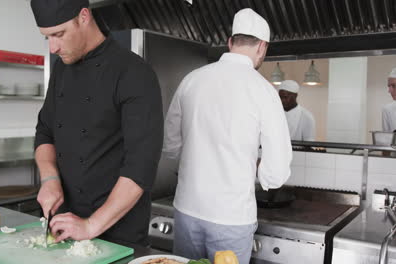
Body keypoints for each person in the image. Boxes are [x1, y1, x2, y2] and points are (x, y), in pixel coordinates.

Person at [163, 8, 292, 264]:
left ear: (230, 42)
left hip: (187, 209)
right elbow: (276, 171)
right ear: (262, 47)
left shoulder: (192, 80)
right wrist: (259, 170)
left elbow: (170, 145)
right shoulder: (264, 91)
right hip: (231, 217)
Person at [30, 0, 163, 246]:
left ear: (83, 17)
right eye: (46, 37)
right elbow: (45, 132)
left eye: (59, 34)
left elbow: (140, 167)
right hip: (64, 226)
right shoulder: (60, 71)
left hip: (118, 232)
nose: (53, 48)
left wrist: (91, 225)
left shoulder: (134, 73)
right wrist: (49, 179)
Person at [382, 68, 396, 133]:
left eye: (393, 86)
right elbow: (387, 140)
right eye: (389, 86)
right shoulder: (387, 110)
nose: (389, 91)